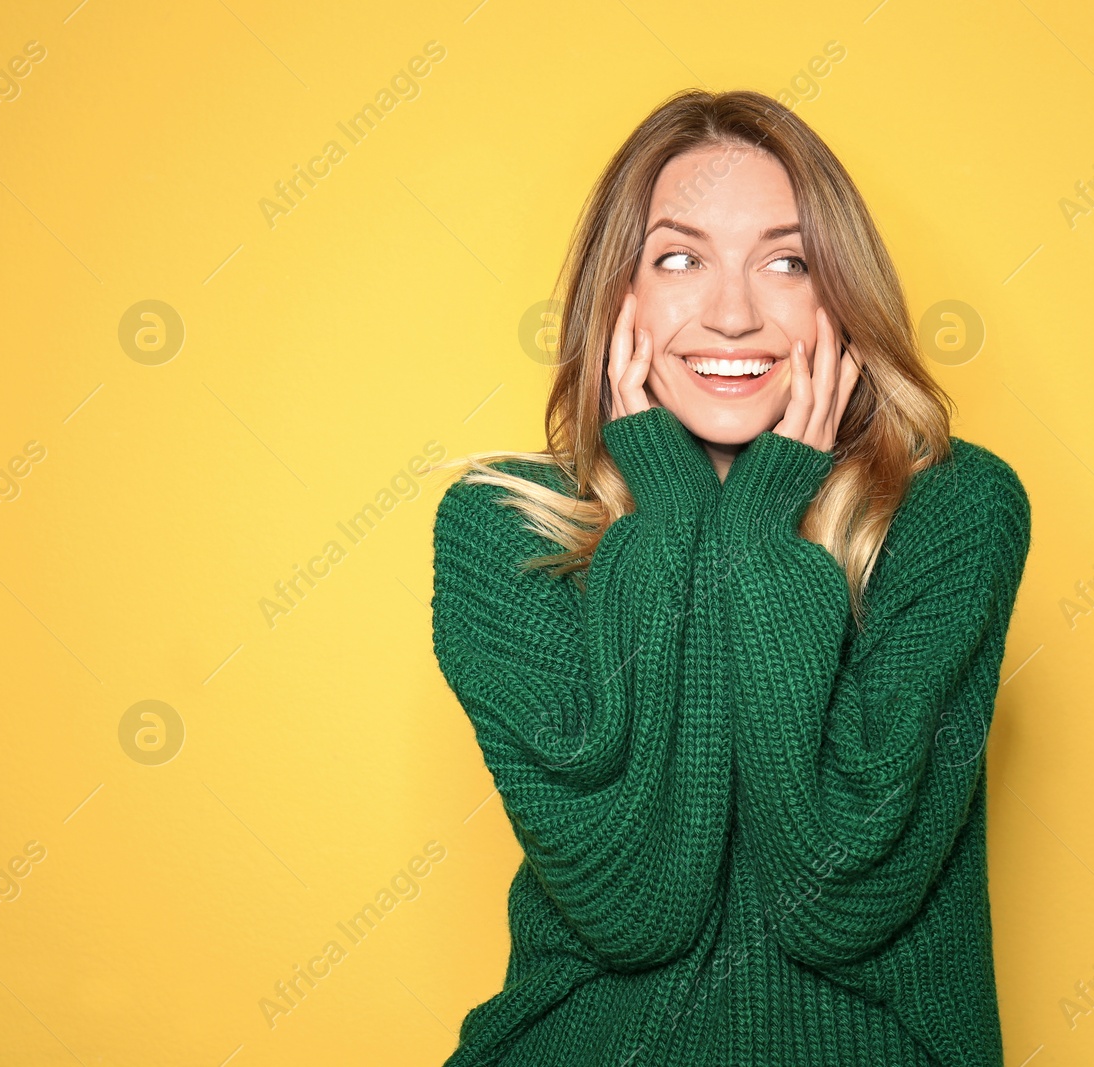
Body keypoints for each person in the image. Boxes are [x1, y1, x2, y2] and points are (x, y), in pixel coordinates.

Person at [429, 87, 1032, 1066]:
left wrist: (755, 521)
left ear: (838, 297)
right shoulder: (503, 528)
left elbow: (832, 897)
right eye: (679, 259)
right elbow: (637, 909)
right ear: (615, 297)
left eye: (786, 262)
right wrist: (672, 518)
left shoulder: (952, 514)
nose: (733, 312)